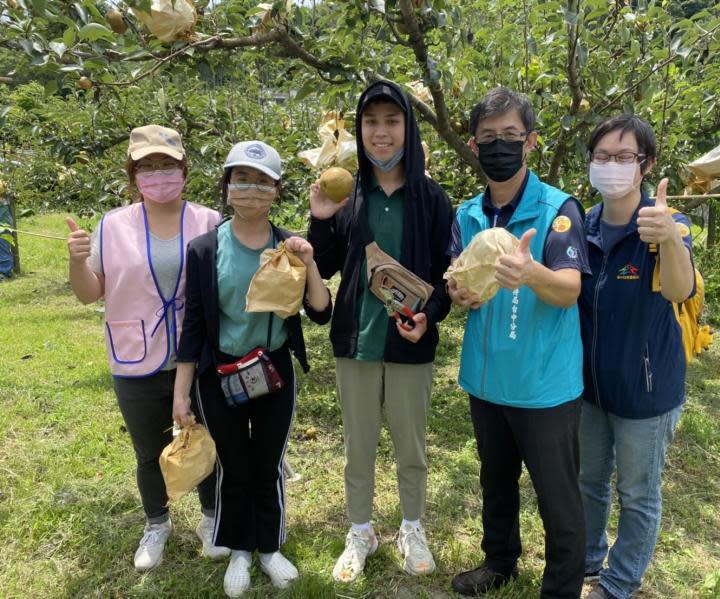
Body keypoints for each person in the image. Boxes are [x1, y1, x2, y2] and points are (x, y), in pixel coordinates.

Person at [447, 87, 590, 599]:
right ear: (474, 144)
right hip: (488, 379)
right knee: (496, 482)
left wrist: (531, 273)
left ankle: (561, 587)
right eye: (489, 137)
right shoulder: (467, 214)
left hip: (543, 385)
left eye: (511, 135)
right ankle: (499, 561)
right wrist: (460, 292)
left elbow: (570, 290)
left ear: (530, 142)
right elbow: (457, 278)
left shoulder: (558, 210)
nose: (500, 145)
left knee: (558, 498)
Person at [307, 80, 453, 582]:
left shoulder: (432, 198)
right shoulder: (345, 193)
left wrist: (428, 318)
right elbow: (322, 267)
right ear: (360, 130)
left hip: (410, 341)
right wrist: (320, 219)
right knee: (359, 446)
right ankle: (361, 529)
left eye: (393, 121)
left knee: (411, 445)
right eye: (372, 122)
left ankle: (411, 525)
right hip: (358, 340)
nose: (382, 133)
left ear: (409, 129)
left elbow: (447, 276)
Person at [172, 140, 332, 598]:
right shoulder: (205, 249)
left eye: (262, 182)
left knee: (268, 462)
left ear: (277, 191)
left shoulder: (288, 245)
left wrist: (311, 262)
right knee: (233, 464)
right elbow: (195, 325)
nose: (251, 190)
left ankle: (269, 547)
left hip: (272, 371)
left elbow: (320, 311)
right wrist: (182, 393)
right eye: (241, 179)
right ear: (226, 187)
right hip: (219, 373)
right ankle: (239, 549)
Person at [65, 125, 227, 571]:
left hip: (200, 355)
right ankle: (157, 524)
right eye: (148, 167)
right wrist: (77, 261)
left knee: (208, 440)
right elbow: (88, 292)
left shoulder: (209, 220)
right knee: (147, 449)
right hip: (135, 354)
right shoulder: (113, 225)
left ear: (184, 171)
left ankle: (212, 519)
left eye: (168, 165)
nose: (159, 175)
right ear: (133, 174)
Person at [578, 115, 694, 599]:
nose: (611, 165)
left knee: (638, 494)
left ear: (644, 166)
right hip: (588, 388)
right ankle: (586, 560)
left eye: (624, 157)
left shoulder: (666, 225)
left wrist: (667, 237)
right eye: (602, 156)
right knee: (588, 481)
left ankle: (619, 582)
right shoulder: (579, 224)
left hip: (647, 392)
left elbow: (678, 288)